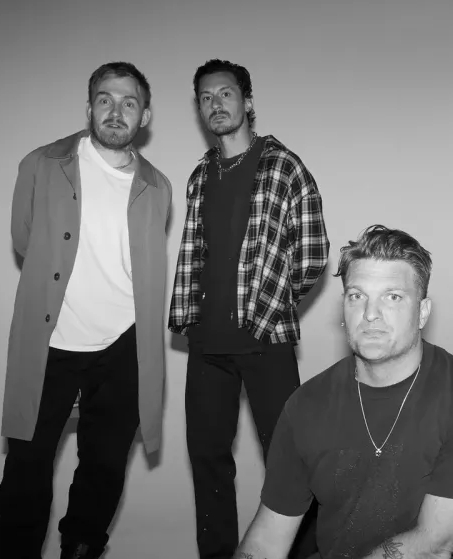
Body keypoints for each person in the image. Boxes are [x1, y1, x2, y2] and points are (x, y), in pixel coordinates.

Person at [0, 62, 173, 559]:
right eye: (105, 99)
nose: (116, 111)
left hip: (124, 346)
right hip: (53, 340)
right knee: (26, 469)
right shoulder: (42, 164)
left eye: (129, 102)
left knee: (104, 470)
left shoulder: (158, 185)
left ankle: (81, 549)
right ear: (89, 107)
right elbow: (25, 240)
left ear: (144, 116)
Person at [235, 225, 453, 559]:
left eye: (392, 297)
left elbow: (432, 546)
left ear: (422, 312)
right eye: (357, 296)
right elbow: (267, 540)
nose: (370, 314)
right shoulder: (305, 405)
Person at [168, 59, 329, 558]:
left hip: (265, 341)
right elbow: (196, 252)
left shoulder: (283, 166)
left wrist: (269, 303)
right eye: (206, 98)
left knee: (291, 464)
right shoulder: (200, 175)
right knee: (208, 462)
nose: (215, 104)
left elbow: (313, 252)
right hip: (206, 345)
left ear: (248, 102)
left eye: (225, 94)